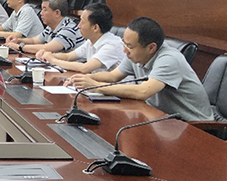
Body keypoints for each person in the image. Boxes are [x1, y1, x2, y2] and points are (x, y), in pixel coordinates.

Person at [67, 17, 214, 122]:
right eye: (124, 44)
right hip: (160, 118)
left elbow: (143, 92)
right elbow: (112, 76)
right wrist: (84, 79)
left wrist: (96, 86)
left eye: (129, 46)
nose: (125, 51)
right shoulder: (135, 54)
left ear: (151, 48)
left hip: (192, 125)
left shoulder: (169, 59)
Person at [35, 3, 123, 73]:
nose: (78, 26)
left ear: (95, 28)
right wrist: (47, 55)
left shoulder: (111, 45)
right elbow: (68, 56)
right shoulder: (91, 41)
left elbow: (85, 68)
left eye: (82, 22)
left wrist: (53, 60)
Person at [6, 0, 83, 54]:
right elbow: (34, 40)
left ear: (57, 13)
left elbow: (47, 48)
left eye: (45, 10)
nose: (41, 13)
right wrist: (18, 40)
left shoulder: (68, 29)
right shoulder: (51, 27)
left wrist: (19, 47)